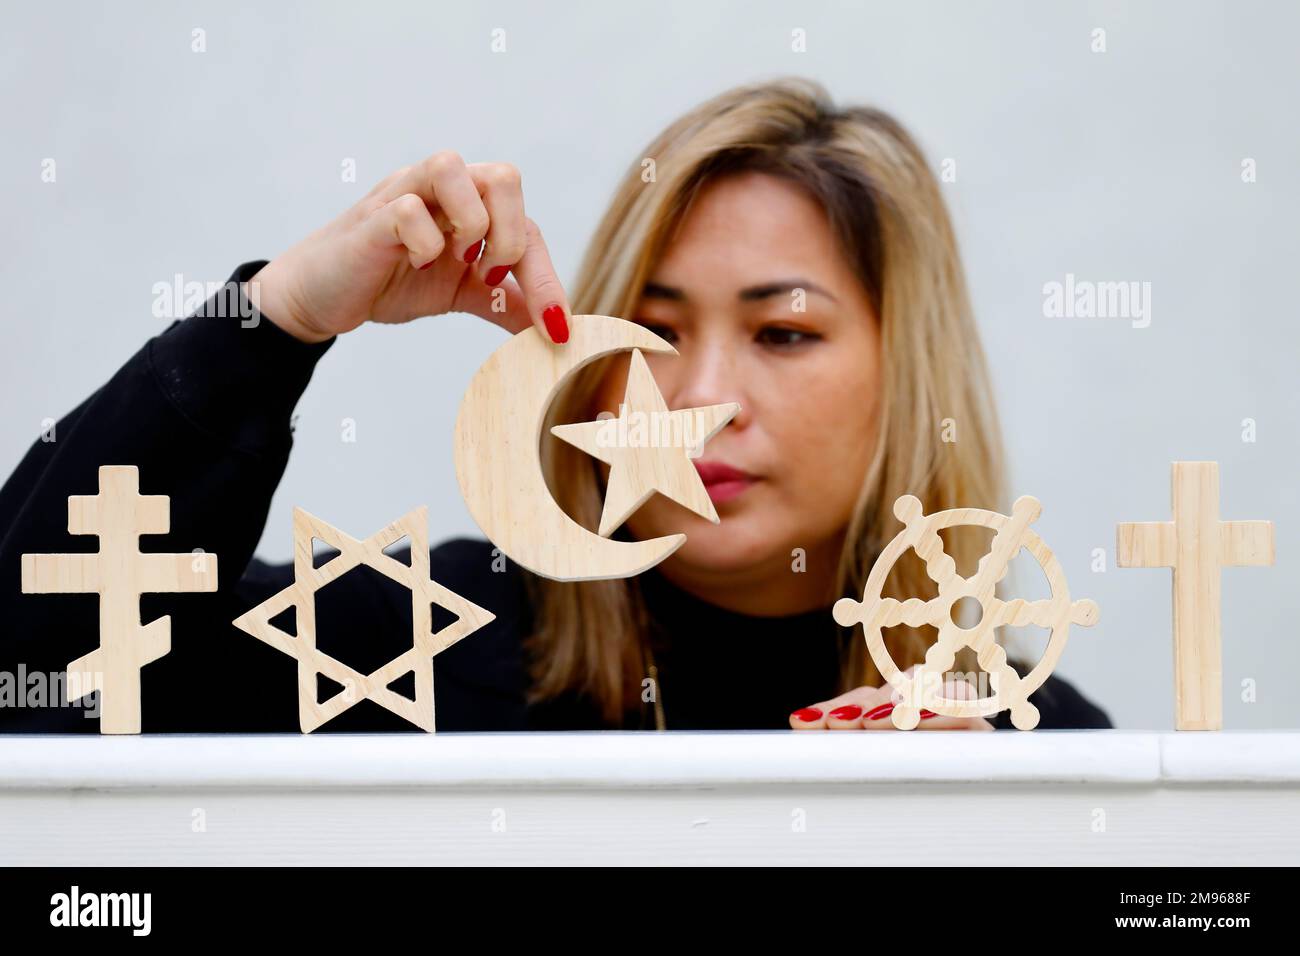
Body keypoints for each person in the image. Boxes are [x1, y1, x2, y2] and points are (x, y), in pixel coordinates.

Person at [0, 78, 1111, 733]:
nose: (702, 399)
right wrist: (277, 317)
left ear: (904, 375)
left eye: (782, 332)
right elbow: (36, 677)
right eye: (658, 329)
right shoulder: (420, 641)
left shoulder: (1025, 740)